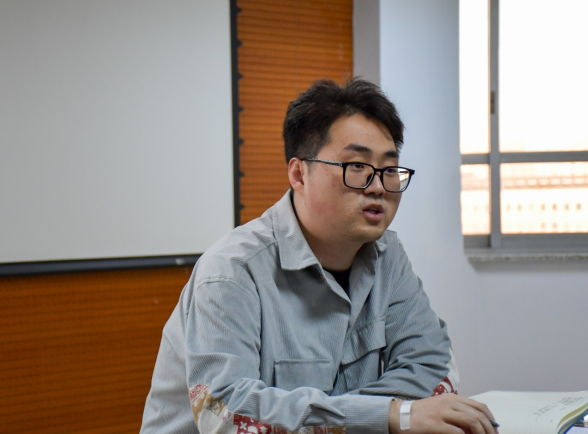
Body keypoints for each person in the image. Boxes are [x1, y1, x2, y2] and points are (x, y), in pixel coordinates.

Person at [141, 78, 498, 434]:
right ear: (299, 174)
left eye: (389, 169)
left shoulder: (388, 256)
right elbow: (228, 414)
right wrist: (387, 416)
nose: (377, 186)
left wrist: (355, 418)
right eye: (356, 166)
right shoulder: (231, 271)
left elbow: (433, 365)